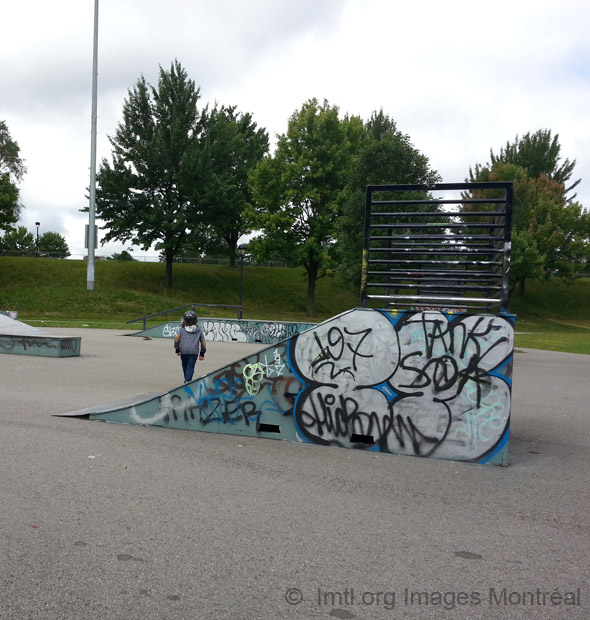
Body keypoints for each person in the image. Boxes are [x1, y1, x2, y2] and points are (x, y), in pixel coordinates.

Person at [174, 309, 207, 383]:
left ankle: (187, 379)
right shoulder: (199, 330)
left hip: (184, 351)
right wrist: (202, 353)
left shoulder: (182, 330)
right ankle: (188, 380)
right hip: (193, 352)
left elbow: (176, 339)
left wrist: (177, 349)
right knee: (190, 367)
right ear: (195, 320)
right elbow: (203, 342)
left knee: (184, 365)